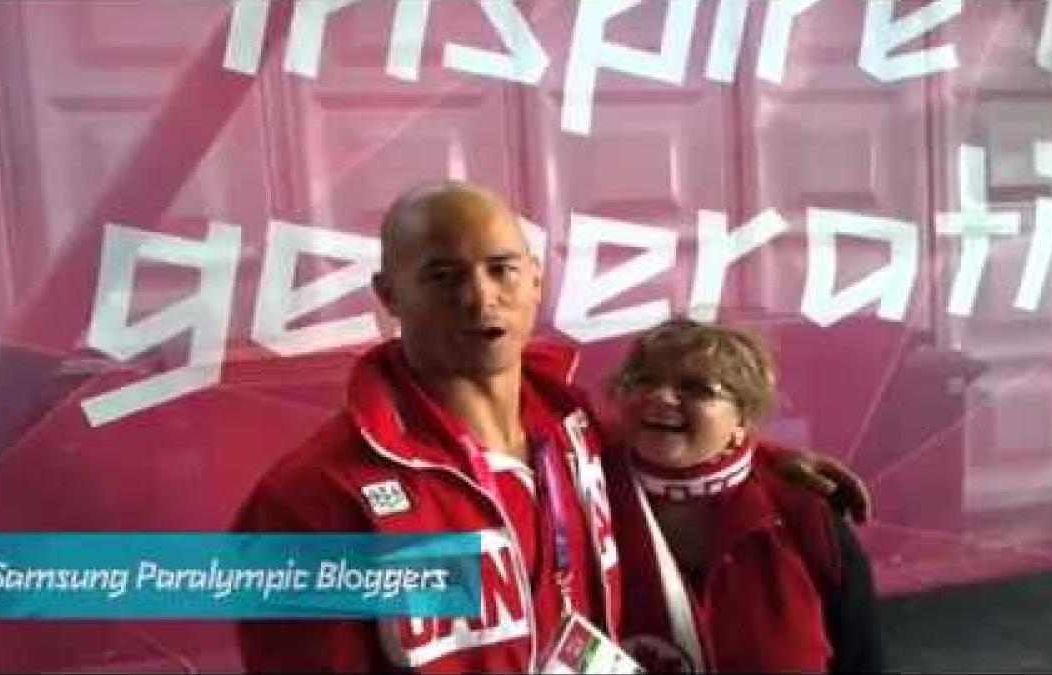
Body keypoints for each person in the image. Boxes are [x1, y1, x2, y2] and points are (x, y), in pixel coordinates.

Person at [235, 180, 870, 673]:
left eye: (502, 269)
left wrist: (763, 458)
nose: (481, 299)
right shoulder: (315, 498)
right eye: (442, 276)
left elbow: (674, 447)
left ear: (535, 279)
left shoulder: (575, 430)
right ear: (388, 293)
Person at [605, 318, 885, 673]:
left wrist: (769, 458)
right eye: (643, 381)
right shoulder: (583, 498)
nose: (660, 396)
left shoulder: (805, 519)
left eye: (696, 388)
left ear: (742, 420)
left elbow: (863, 663)